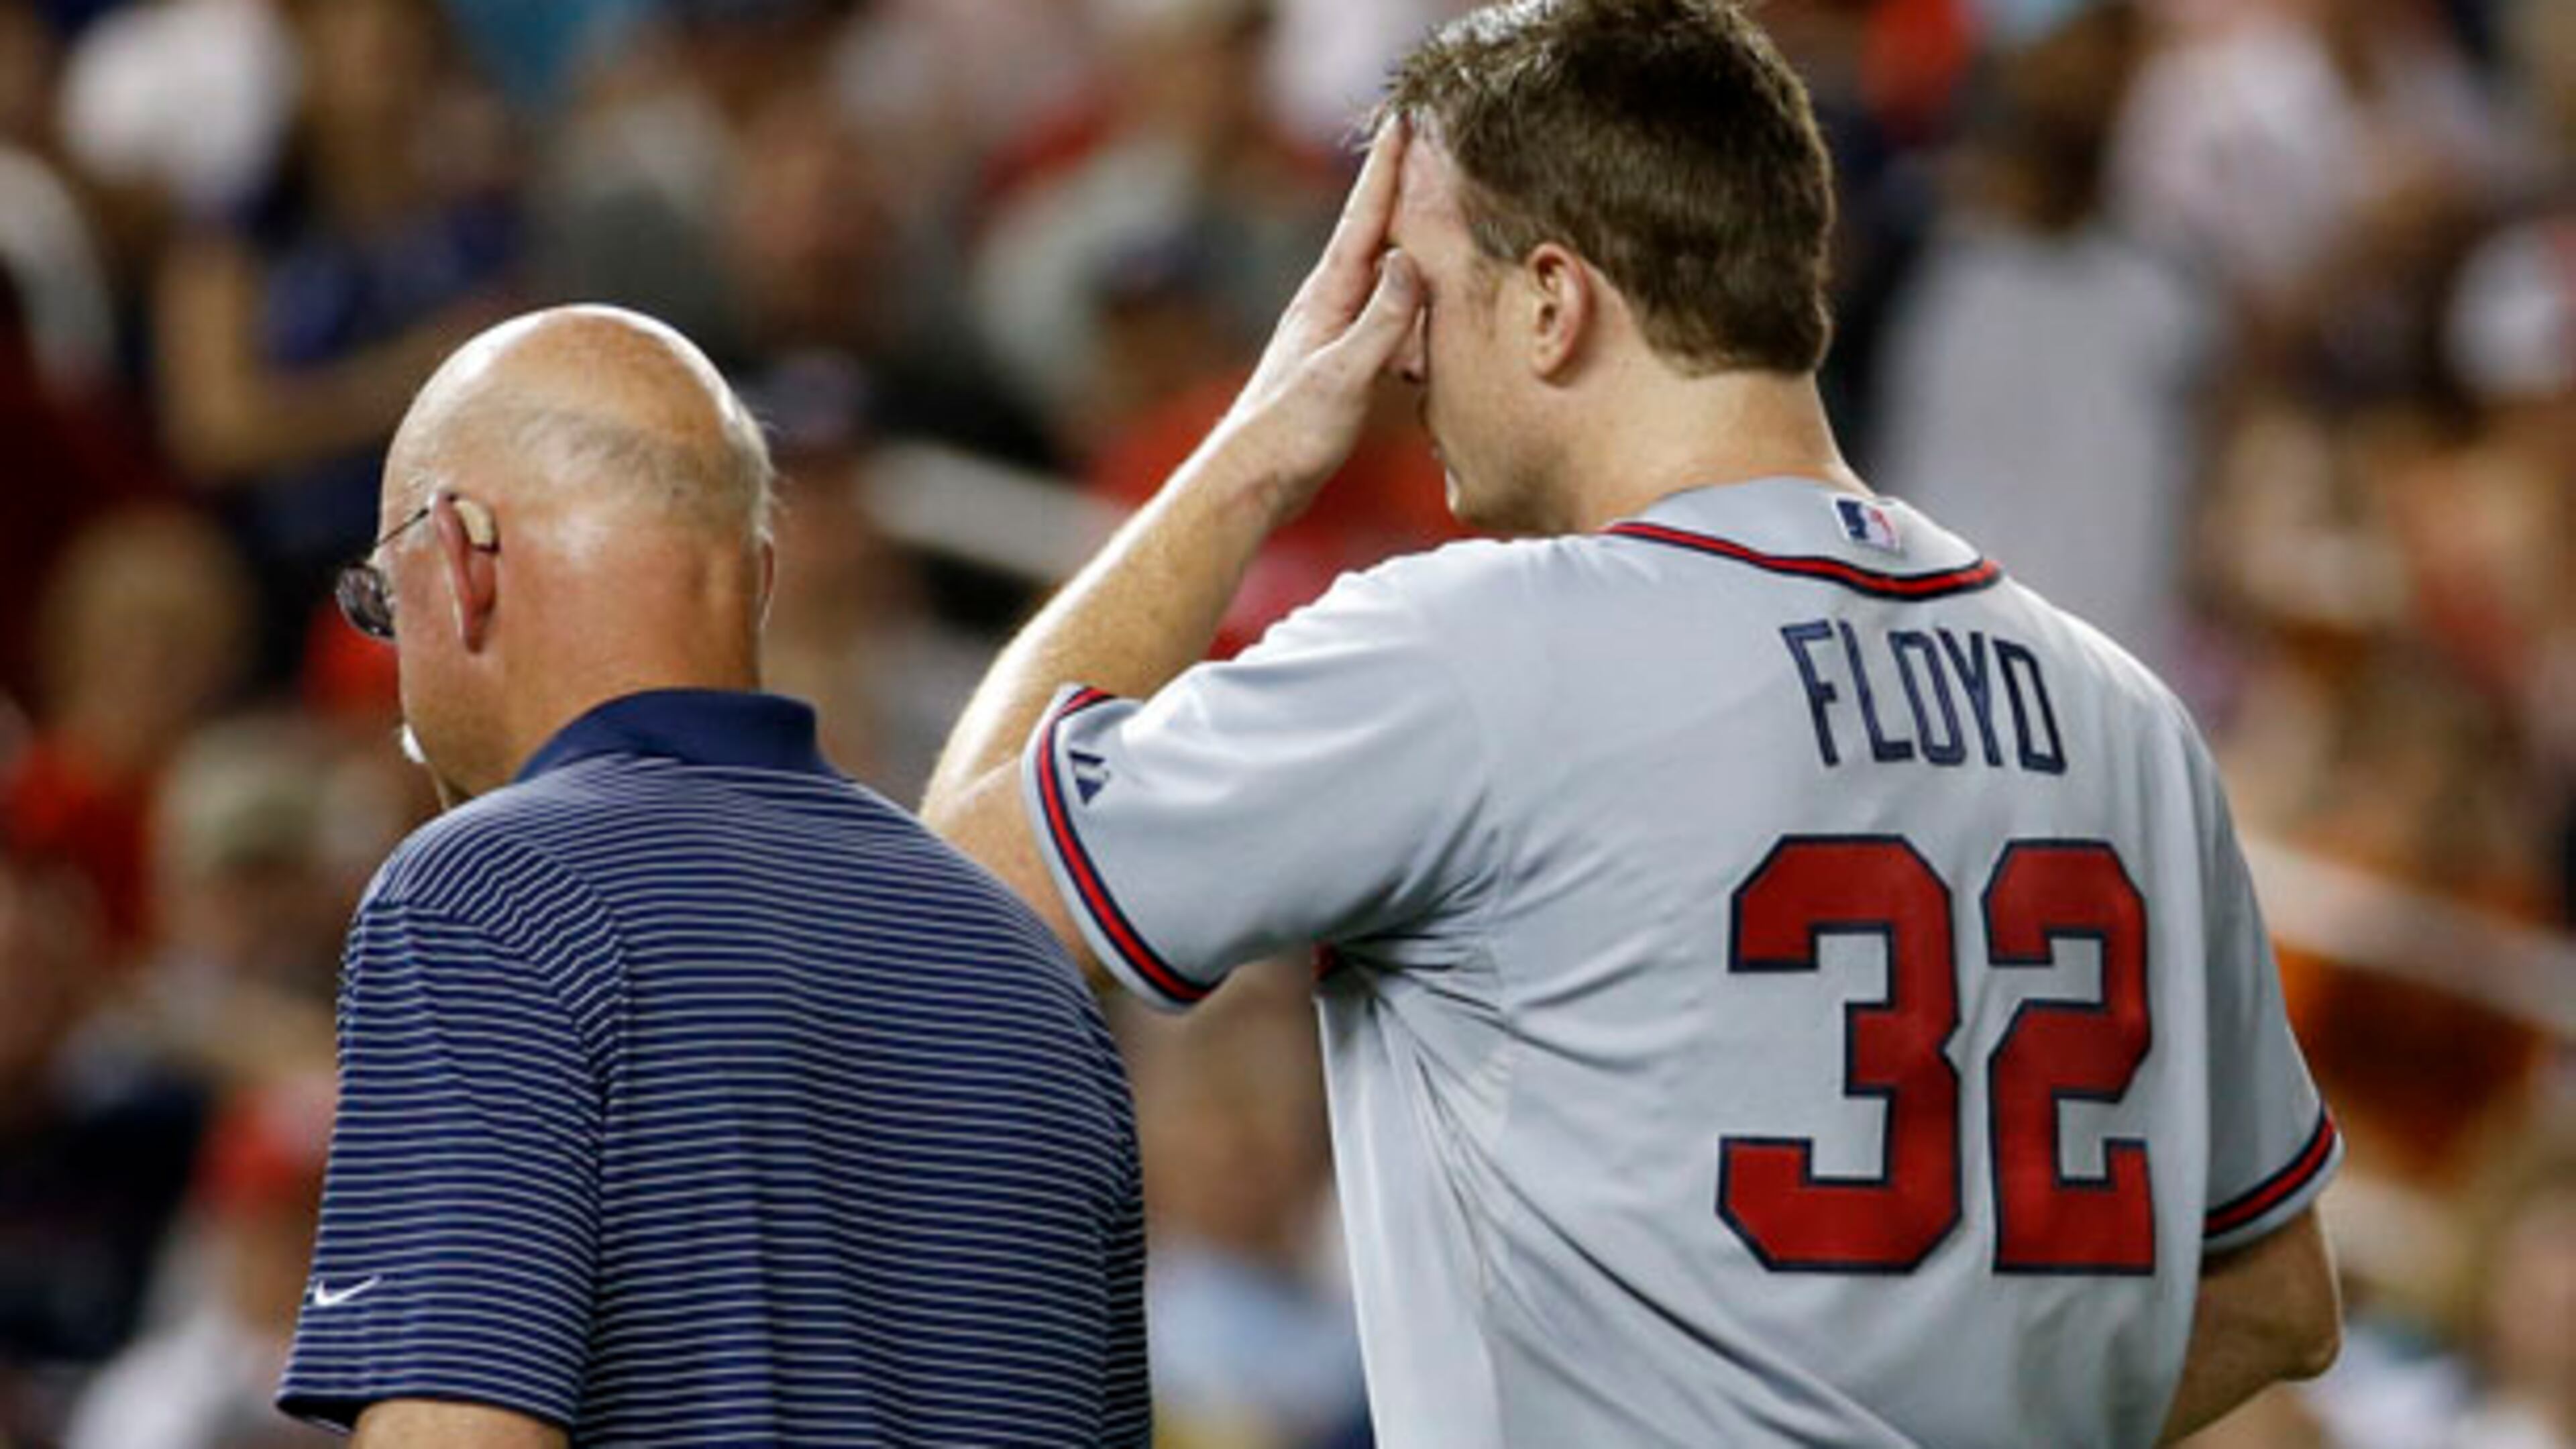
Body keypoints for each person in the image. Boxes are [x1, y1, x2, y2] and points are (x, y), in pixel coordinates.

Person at [920, 1, 2343, 1444]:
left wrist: (1247, 451)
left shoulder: (1475, 649)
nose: (1392, 354)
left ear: (1553, 301)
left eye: (1414, 290)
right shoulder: (2129, 719)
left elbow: (953, 900)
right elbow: (2278, 1297)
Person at [278, 305, 1149, 1446]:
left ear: (459, 562)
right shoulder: (1028, 966)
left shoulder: (482, 891)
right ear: (761, 581)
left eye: (385, 599)